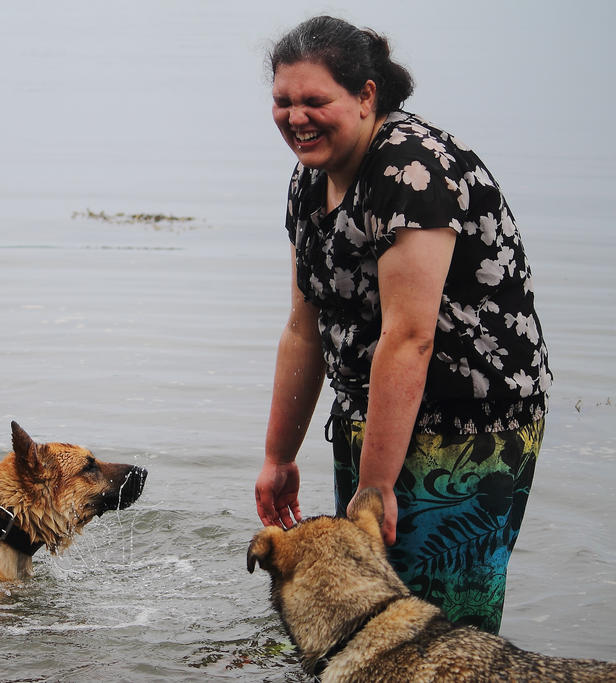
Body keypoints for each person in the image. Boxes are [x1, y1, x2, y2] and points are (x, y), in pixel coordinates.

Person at [253, 15, 552, 634]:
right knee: (364, 615)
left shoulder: (413, 171)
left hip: (468, 427)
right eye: (283, 102)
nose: (295, 117)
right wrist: (278, 457)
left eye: (315, 100)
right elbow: (303, 327)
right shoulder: (309, 180)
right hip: (372, 412)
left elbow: (410, 337)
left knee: (443, 634)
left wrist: (377, 487)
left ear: (366, 96)